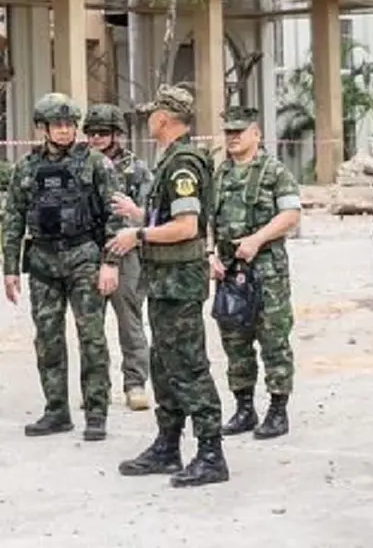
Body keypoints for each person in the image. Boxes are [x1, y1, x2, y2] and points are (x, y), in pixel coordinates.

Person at [112, 84, 229, 488]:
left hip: (179, 283)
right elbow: (170, 216)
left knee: (188, 365)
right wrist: (140, 213)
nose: (148, 120)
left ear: (163, 118)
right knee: (163, 366)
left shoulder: (182, 166)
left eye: (151, 114)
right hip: (164, 282)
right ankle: (167, 445)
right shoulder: (171, 161)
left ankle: (211, 453)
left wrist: (139, 234)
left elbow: (186, 227)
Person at [2, 93, 123, 442]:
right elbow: (13, 218)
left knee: (92, 339)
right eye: (58, 125)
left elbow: (114, 213)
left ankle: (96, 412)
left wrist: (110, 262)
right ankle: (56, 410)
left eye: (70, 124)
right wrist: (10, 268)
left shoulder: (95, 163)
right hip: (42, 262)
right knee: (48, 340)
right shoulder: (26, 167)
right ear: (43, 128)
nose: (66, 131)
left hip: (84, 257)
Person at [209, 106, 302, 440]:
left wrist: (257, 239)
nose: (233, 138)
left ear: (256, 134)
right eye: (228, 133)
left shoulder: (274, 172)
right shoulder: (220, 175)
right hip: (230, 271)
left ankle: (278, 410)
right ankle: (244, 408)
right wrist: (210, 256)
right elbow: (208, 219)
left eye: (239, 132)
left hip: (267, 271)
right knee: (235, 340)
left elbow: (291, 213)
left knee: (273, 339)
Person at [81, 102, 153, 411]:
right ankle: (96, 388)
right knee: (89, 324)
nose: (96, 138)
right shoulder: (80, 164)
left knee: (130, 321)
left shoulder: (135, 169)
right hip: (88, 253)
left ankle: (135, 383)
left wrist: (135, 217)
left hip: (126, 254)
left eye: (103, 133)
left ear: (116, 135)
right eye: (92, 133)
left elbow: (152, 217)